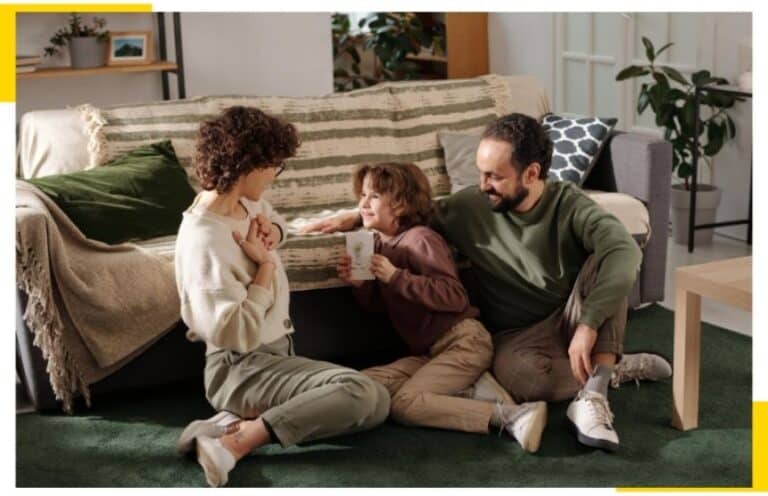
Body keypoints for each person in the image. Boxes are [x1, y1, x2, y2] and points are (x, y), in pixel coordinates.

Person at [303, 113, 672, 452]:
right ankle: (612, 363)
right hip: (516, 335)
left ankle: (597, 388)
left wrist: (588, 324)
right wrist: (356, 216)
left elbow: (624, 251)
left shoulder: (571, 206)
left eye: (495, 176)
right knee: (524, 385)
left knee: (611, 260)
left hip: (571, 311)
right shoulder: (470, 205)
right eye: (480, 173)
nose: (483, 186)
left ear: (531, 174)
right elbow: (410, 211)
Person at [174, 106, 390, 487]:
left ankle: (227, 425)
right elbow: (232, 332)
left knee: (376, 403)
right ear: (250, 164)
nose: (276, 174)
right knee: (361, 392)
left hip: (272, 354)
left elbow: (273, 219)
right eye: (274, 164)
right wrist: (266, 269)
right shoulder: (204, 238)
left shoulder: (243, 203)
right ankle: (237, 443)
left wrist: (274, 231)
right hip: (239, 366)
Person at [337, 162, 547, 453]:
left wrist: (396, 277)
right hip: (429, 353)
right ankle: (472, 388)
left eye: (373, 196)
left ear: (400, 203)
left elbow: (454, 296)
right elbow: (383, 308)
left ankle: (512, 416)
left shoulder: (420, 239)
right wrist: (362, 286)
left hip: (464, 342)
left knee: (405, 405)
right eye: (361, 195)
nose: (363, 203)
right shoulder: (380, 246)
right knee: (362, 383)